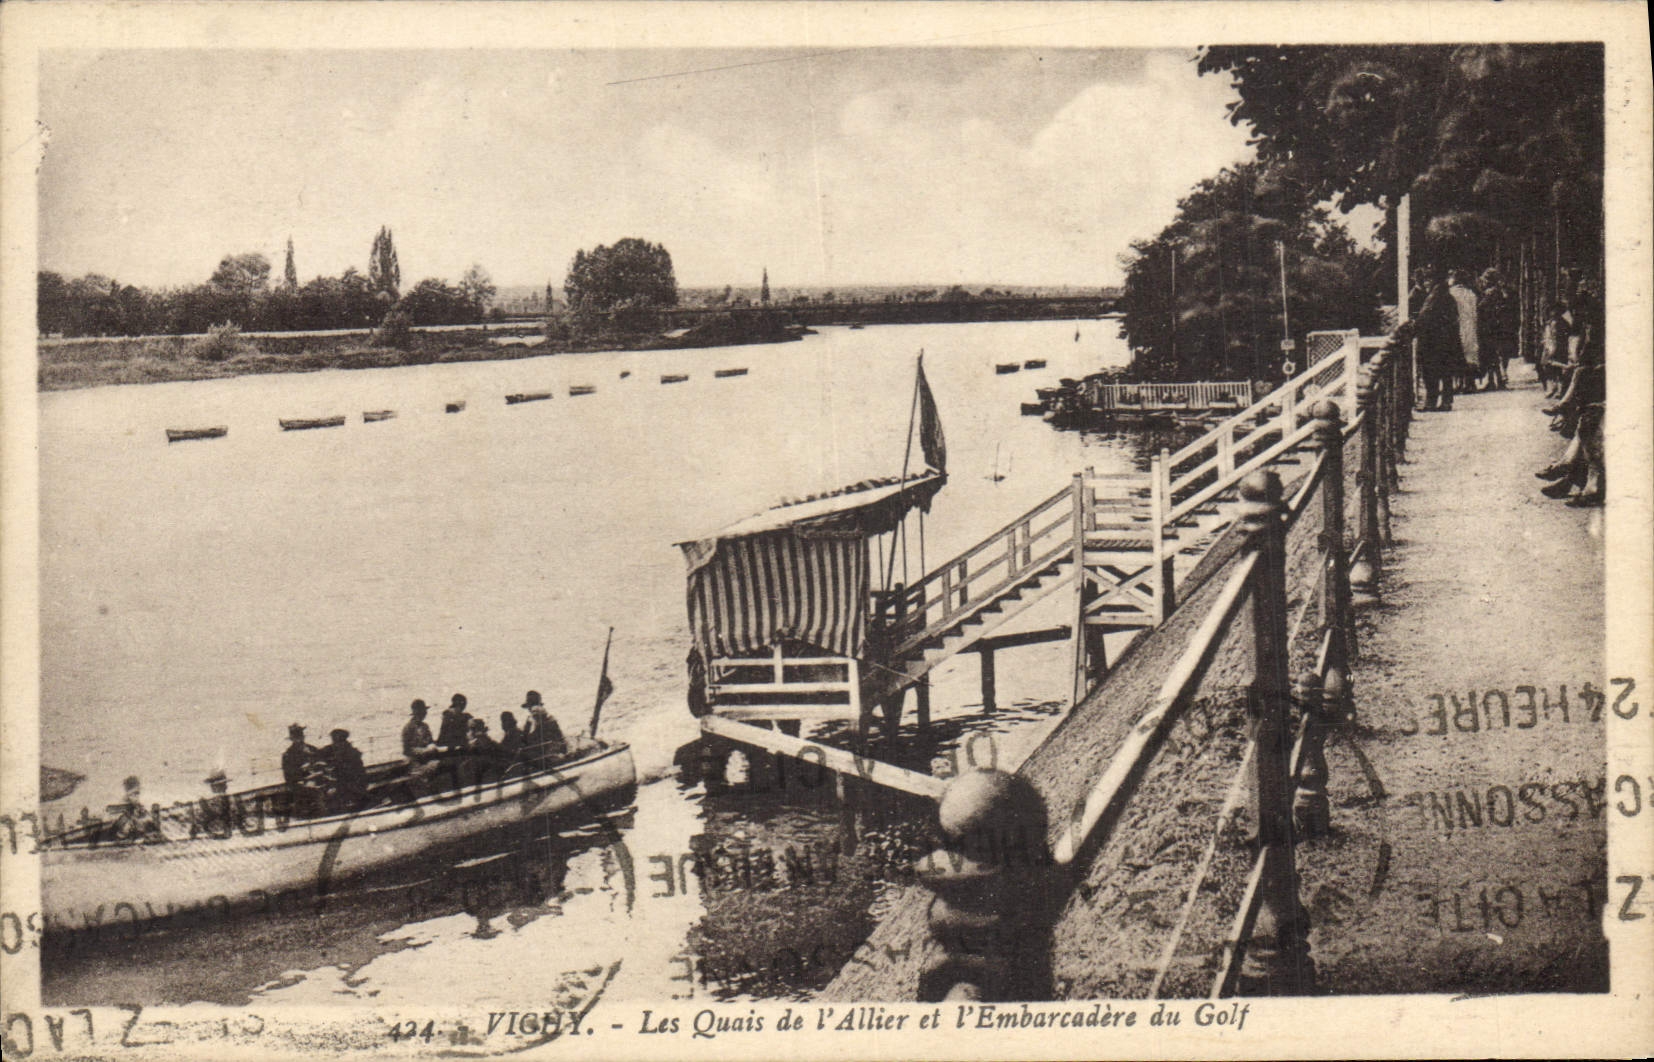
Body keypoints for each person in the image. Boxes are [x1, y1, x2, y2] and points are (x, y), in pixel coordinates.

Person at [1411, 267, 1461, 411]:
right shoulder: (1447, 296)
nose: (1426, 282)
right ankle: (1446, 401)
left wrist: (1415, 329)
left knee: (1430, 371)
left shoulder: (1434, 296)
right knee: (1445, 372)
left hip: (1432, 341)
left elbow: (1424, 317)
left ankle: (1431, 402)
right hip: (1446, 340)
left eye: (1429, 279)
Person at [1477, 268, 1516, 390]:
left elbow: (1481, 307)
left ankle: (1494, 381)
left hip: (1491, 328)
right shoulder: (1502, 292)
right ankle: (1498, 381)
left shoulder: (1490, 293)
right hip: (1501, 328)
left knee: (1491, 355)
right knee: (1497, 355)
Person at [319, 728, 370, 812]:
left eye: (335, 740)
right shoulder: (342, 749)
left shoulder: (349, 754)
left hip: (352, 787)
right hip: (350, 785)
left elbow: (346, 775)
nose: (334, 743)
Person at [1446, 269, 1481, 393]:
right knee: (1470, 354)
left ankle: (1458, 383)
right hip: (1470, 326)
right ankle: (1470, 383)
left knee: (1456, 354)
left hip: (1456, 326)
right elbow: (1475, 313)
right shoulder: (1471, 294)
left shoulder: (1451, 293)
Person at [108, 775, 162, 843]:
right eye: (135, 793)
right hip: (122, 833)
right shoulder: (124, 806)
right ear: (129, 793)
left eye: (138, 793)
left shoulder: (137, 805)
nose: (137, 796)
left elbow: (145, 815)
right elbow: (118, 823)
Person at [521, 691, 567, 766]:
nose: (530, 710)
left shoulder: (541, 719)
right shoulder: (546, 719)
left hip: (549, 753)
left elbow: (532, 737)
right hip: (551, 749)